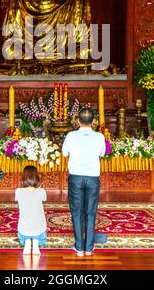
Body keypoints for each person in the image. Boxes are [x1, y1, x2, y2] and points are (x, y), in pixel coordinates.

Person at [62, 107, 106, 257]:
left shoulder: (71, 135)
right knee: (91, 212)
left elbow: (64, 153)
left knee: (77, 211)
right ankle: (89, 247)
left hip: (76, 177)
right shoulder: (99, 136)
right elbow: (103, 153)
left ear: (78, 121)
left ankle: (79, 247)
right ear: (93, 121)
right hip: (93, 177)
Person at [15, 165, 47, 255]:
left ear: (23, 178)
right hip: (39, 229)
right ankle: (36, 242)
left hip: (24, 229)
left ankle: (27, 242)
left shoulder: (18, 191)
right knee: (41, 235)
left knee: (23, 234)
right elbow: (44, 199)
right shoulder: (42, 192)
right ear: (37, 178)